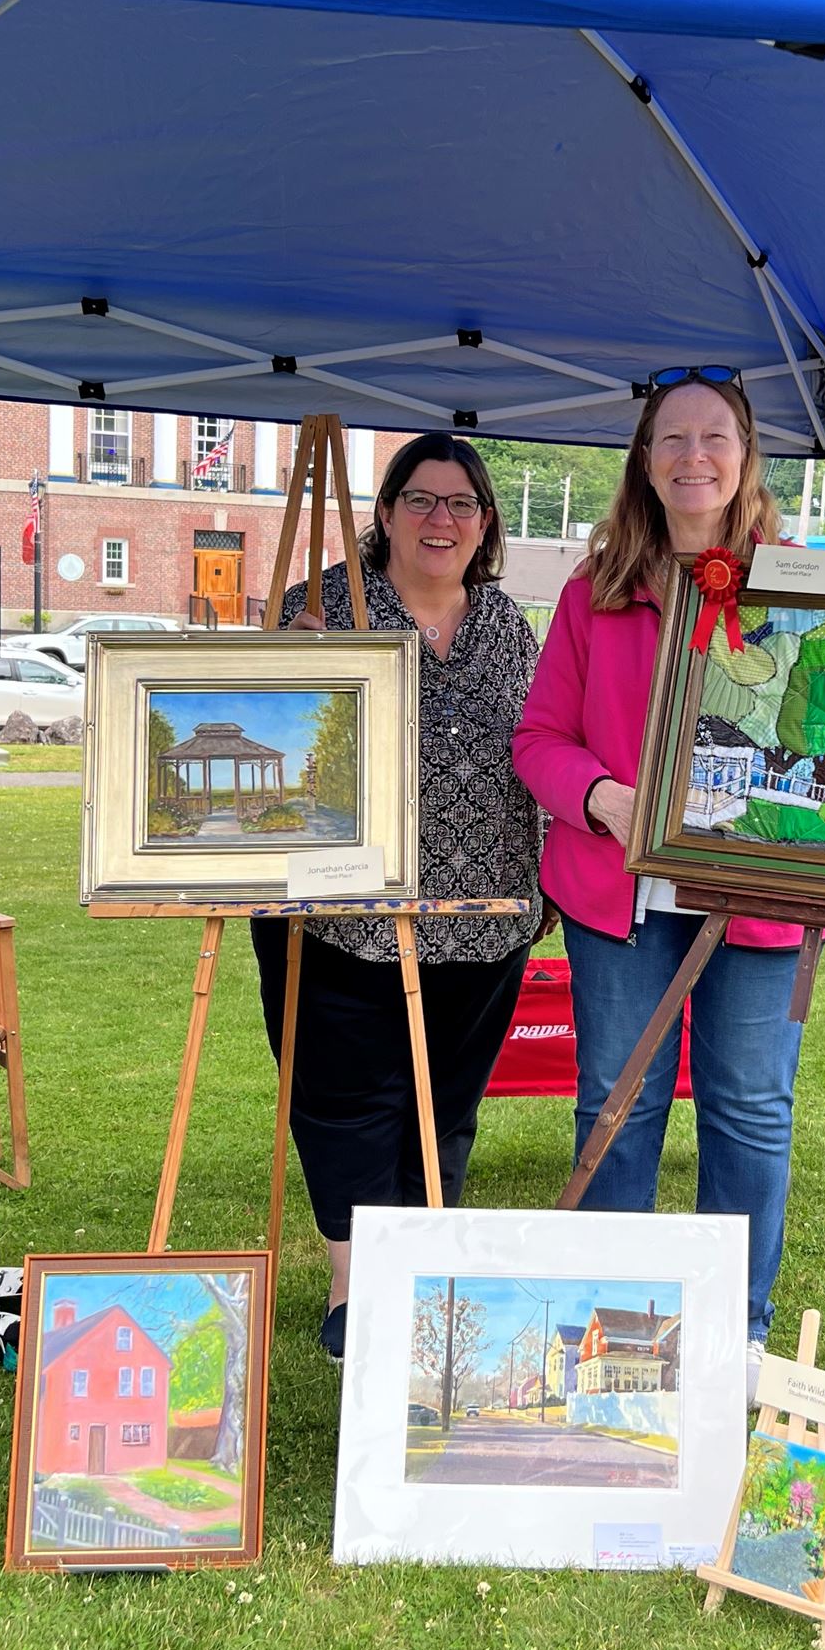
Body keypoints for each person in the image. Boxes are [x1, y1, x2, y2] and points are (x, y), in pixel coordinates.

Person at [511, 367, 804, 1395]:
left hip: (757, 900)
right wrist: (602, 798)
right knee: (616, 1106)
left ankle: (738, 1333)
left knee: (748, 1110)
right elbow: (538, 740)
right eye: (671, 439)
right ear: (643, 459)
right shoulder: (595, 589)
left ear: (745, 455)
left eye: (712, 437)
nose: (692, 458)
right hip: (620, 900)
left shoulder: (796, 587)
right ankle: (618, 1324)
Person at [253, 434, 541, 1361]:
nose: (440, 520)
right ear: (384, 513)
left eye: (462, 504)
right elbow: (274, 720)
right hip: (344, 917)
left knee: (446, 1102)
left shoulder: (508, 626)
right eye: (420, 500)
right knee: (343, 1097)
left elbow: (539, 743)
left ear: (486, 522)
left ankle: (420, 1266)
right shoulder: (319, 609)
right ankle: (352, 1278)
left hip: (485, 913)